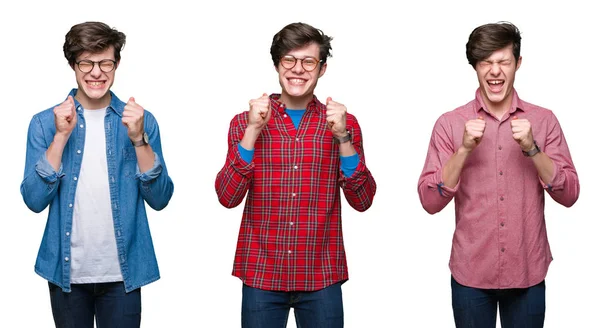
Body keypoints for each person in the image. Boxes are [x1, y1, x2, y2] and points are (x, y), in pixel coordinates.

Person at [417, 22, 579, 327]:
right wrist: (463, 150)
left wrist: (533, 150)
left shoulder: (543, 121)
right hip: (471, 273)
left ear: (518, 64)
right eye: (486, 62)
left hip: (528, 271)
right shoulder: (450, 123)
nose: (495, 71)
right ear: (475, 67)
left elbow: (570, 193)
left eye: (503, 61)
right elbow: (428, 200)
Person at [215, 22, 376, 328]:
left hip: (322, 274)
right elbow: (227, 197)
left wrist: (343, 137)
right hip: (262, 272)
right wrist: (252, 131)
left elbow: (363, 199)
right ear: (277, 64)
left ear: (322, 68)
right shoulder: (243, 122)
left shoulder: (344, 123)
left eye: (308, 61)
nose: (298, 70)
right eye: (289, 60)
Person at [20, 21, 174, 328]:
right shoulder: (44, 123)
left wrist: (139, 139)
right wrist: (61, 137)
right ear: (72, 64)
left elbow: (160, 199)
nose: (96, 72)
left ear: (116, 64)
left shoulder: (140, 121)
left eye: (105, 62)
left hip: (123, 274)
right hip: (66, 274)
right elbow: (34, 200)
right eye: (86, 63)